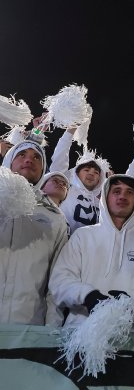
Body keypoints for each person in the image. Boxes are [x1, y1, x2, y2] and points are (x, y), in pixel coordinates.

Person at [49, 174, 134, 328]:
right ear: (105, 197)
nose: (122, 196)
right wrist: (88, 296)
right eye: (116, 191)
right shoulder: (83, 236)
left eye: (129, 192)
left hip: (130, 337)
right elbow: (60, 280)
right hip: (78, 332)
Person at [0, 139, 68, 325]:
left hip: (28, 327)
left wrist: (51, 330)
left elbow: (57, 279)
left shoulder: (55, 217)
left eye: (37, 157)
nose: (29, 160)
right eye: (22, 155)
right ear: (9, 161)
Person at [49, 127, 110, 234]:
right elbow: (59, 158)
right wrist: (70, 130)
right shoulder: (65, 188)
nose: (91, 173)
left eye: (96, 173)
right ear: (76, 173)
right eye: (86, 170)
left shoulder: (102, 204)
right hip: (60, 242)